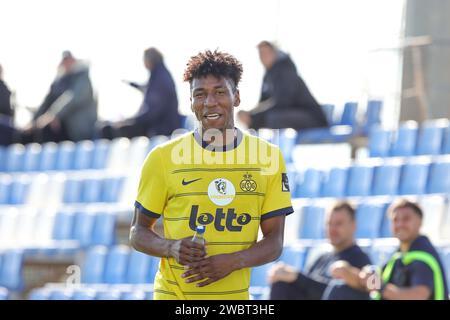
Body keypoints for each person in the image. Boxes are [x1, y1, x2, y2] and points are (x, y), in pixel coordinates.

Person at [129, 50, 293, 300]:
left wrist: (232, 261)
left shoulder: (268, 158)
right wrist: (171, 247)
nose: (210, 102)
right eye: (200, 94)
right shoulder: (163, 158)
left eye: (219, 92)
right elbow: (138, 232)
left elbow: (274, 241)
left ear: (236, 97)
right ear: (191, 102)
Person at [269, 202, 371, 300]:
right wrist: (286, 275)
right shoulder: (322, 257)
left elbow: (336, 294)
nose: (332, 229)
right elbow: (306, 291)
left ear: (353, 225)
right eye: (329, 223)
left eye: (339, 224)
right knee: (281, 285)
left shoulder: (360, 259)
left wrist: (296, 277)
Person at [358, 199, 449, 300]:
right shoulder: (399, 255)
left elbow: (419, 296)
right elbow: (375, 282)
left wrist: (380, 287)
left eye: (406, 219)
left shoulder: (422, 257)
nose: (400, 224)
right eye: (395, 220)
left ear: (420, 221)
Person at [237, 41, 328, 131]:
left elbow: (282, 102)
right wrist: (250, 114)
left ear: (274, 53)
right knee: (255, 117)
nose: (263, 57)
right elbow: (263, 102)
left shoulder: (286, 71)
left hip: (313, 119)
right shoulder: (268, 76)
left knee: (272, 118)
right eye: (261, 53)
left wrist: (253, 117)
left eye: (266, 53)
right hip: (291, 115)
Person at [99, 47, 180, 139]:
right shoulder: (159, 75)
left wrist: (132, 120)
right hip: (159, 124)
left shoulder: (160, 78)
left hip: (161, 128)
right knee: (110, 127)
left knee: (111, 130)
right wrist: (132, 84)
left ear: (150, 60)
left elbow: (153, 111)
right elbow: (148, 90)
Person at [21, 51, 97, 143]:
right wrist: (33, 122)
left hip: (77, 127)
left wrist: (54, 116)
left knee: (47, 129)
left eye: (69, 60)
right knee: (27, 134)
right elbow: (46, 102)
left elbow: (72, 99)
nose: (66, 63)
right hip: (61, 125)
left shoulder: (82, 79)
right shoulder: (59, 81)